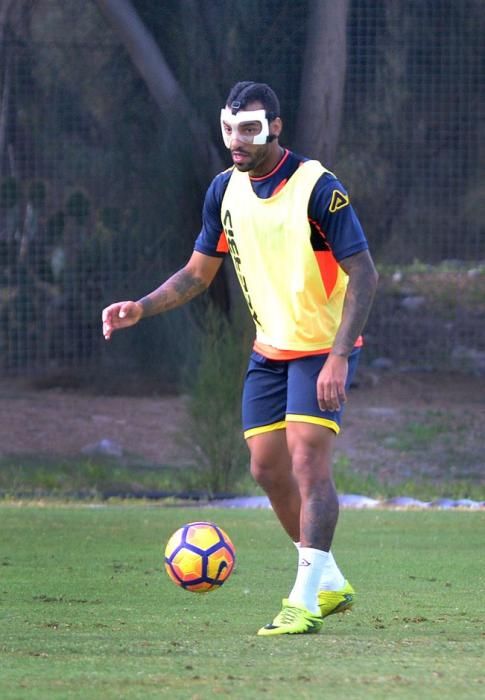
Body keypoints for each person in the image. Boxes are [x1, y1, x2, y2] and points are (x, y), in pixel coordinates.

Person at [102, 81, 378, 636]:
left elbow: (365, 274)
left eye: (249, 128)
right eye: (229, 127)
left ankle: (302, 601)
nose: (237, 139)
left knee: (307, 462)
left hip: (321, 349)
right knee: (266, 468)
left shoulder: (318, 188)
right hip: (268, 352)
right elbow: (197, 274)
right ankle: (329, 580)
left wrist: (340, 357)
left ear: (275, 127)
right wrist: (142, 307)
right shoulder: (224, 191)